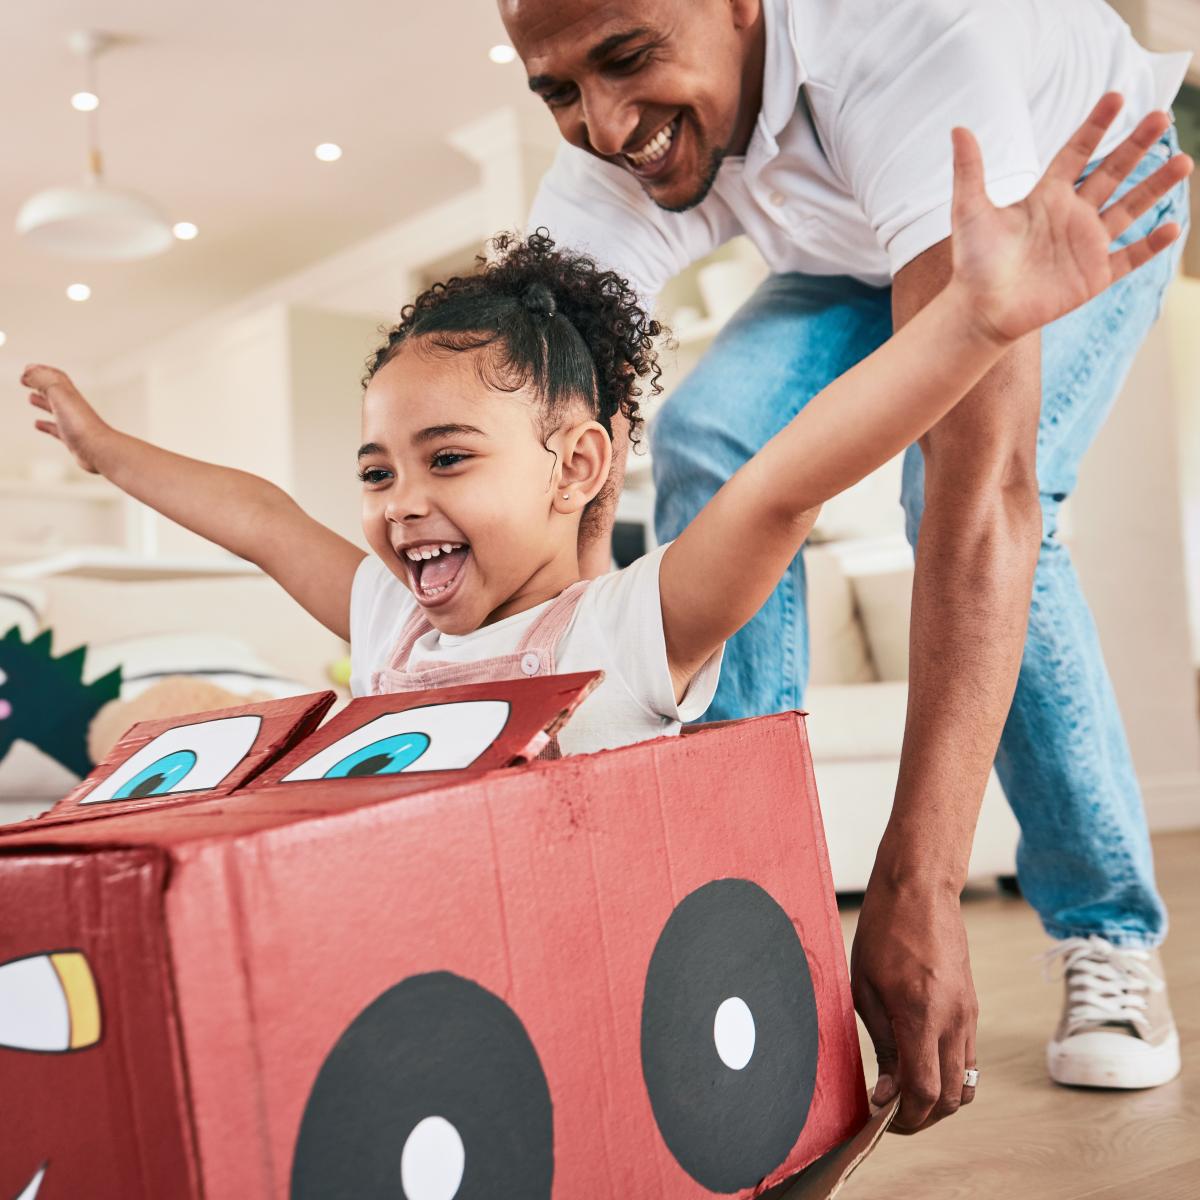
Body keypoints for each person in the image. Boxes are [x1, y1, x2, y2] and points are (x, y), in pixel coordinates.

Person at [23, 106, 1186, 1103]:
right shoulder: (395, 623)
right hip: (392, 985)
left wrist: (972, 323)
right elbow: (266, 517)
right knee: (172, 719)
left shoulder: (627, 630)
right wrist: (107, 449)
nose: (400, 502)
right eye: (378, 471)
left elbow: (784, 484)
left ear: (578, 469)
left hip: (575, 1017)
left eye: (447, 459)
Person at [508, 0, 1195, 1124]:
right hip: (856, 251)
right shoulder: (614, 155)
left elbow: (989, 503)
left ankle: (1105, 930)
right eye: (559, 89)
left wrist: (919, 886)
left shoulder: (912, 35)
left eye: (629, 58)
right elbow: (520, 417)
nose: (604, 121)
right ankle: (746, 906)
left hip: (1072, 197)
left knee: (961, 486)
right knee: (707, 438)